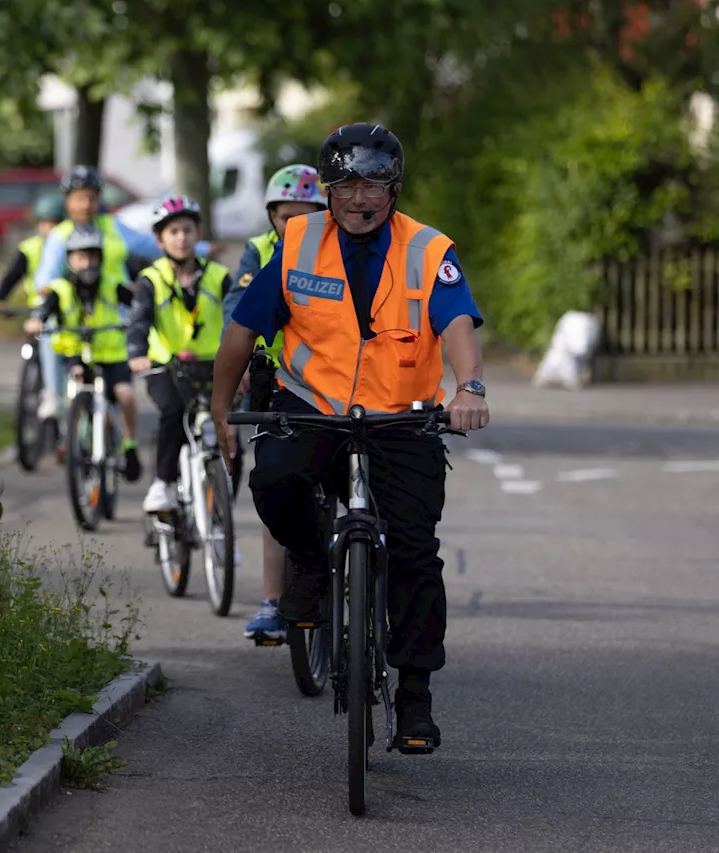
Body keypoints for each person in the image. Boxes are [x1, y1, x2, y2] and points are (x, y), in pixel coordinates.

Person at [211, 123, 489, 752]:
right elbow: (243, 329)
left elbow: (457, 325)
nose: (359, 199)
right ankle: (309, 565)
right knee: (275, 479)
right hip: (312, 405)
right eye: (345, 187)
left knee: (416, 551)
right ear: (327, 191)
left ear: (395, 190)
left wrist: (468, 388)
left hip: (401, 416)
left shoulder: (428, 249)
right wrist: (221, 408)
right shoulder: (299, 241)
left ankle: (414, 696)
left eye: (374, 186)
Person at [222, 164, 328, 644]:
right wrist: (241, 364)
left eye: (307, 215)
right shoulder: (259, 253)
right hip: (273, 381)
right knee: (276, 490)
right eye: (287, 217)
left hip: (332, 386)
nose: (297, 225)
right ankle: (270, 600)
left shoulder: (336, 250)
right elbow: (237, 313)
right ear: (271, 218)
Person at [34, 166, 211, 424]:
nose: (86, 205)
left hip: (115, 311)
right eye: (80, 198)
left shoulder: (112, 226)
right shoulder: (60, 235)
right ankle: (52, 392)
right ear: (68, 201)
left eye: (92, 198)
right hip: (77, 314)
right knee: (48, 327)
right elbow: (46, 277)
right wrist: (48, 292)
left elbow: (151, 245)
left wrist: (203, 249)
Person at [127, 195, 242, 518]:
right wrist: (137, 353)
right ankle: (163, 483)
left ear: (198, 234)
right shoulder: (152, 279)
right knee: (173, 413)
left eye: (188, 230)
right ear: (159, 239)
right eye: (173, 231)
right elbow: (139, 321)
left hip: (214, 367)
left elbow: (238, 318)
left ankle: (222, 520)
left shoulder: (218, 275)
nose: (181, 238)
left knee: (230, 432)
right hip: (167, 365)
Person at [25, 224, 143, 481]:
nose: (86, 263)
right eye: (80, 257)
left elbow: (138, 305)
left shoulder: (113, 284)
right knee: (73, 393)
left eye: (92, 257)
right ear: (69, 260)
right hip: (77, 354)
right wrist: (38, 320)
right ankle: (71, 438)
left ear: (100, 259)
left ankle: (130, 447)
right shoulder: (61, 289)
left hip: (112, 355)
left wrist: (141, 320)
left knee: (125, 395)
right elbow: (44, 308)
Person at [0, 194, 66, 320]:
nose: (50, 229)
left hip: (67, 309)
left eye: (55, 224)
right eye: (45, 224)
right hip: (39, 308)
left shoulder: (72, 244)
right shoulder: (30, 248)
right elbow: (12, 276)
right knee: (33, 336)